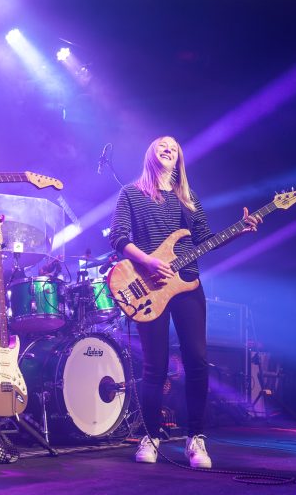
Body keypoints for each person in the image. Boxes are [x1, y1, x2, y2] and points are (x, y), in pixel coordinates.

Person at [108, 136, 261, 468]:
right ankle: (151, 436)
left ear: (179, 158)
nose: (168, 149)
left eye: (174, 147)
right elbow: (118, 237)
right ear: (150, 154)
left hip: (188, 283)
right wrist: (148, 262)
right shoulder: (131, 193)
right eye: (162, 145)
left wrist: (239, 230)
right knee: (155, 366)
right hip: (149, 287)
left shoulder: (189, 198)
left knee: (197, 361)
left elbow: (206, 239)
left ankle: (196, 437)